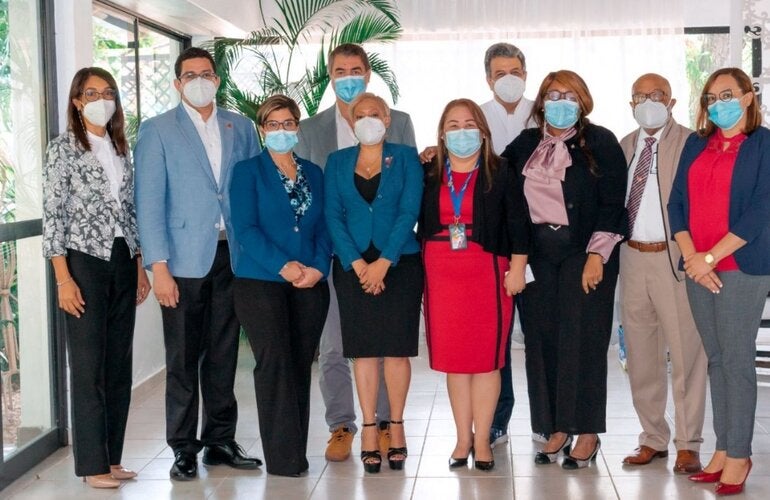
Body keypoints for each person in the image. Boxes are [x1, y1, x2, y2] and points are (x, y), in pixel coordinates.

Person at [134, 47, 262, 481]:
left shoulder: (240, 126)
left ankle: (220, 441)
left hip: (232, 256)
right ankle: (183, 448)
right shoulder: (157, 130)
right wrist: (159, 267)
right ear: (177, 83)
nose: (199, 81)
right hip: (181, 261)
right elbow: (148, 203)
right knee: (184, 359)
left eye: (206, 74)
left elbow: (250, 188)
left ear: (217, 80)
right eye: (190, 75)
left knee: (224, 355)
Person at [294, 43, 417, 462]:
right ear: (330, 76)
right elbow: (311, 196)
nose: (348, 78)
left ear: (367, 74)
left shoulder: (400, 122)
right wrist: (353, 262)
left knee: (382, 344)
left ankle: (382, 423)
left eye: (355, 70)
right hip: (334, 255)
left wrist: (382, 261)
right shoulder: (310, 130)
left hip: (391, 257)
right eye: (339, 71)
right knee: (334, 345)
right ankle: (342, 425)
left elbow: (409, 191)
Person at [502, 70, 627, 469]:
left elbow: (614, 203)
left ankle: (587, 431)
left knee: (584, 341)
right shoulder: (525, 144)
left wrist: (597, 255)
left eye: (570, 95)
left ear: (582, 101)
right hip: (538, 256)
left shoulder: (601, 141)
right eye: (553, 95)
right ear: (541, 102)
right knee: (541, 343)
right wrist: (433, 157)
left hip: (585, 253)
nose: (561, 102)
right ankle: (555, 427)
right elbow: (492, 176)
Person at [417, 43, 536, 449]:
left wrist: (517, 269)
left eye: (469, 124)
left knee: (487, 361)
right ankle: (461, 440)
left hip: (487, 275)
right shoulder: (429, 171)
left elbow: (519, 224)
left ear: (482, 132)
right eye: (453, 125)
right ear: (441, 133)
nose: (461, 132)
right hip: (441, 277)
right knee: (455, 362)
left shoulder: (500, 171)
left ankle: (483, 440)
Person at [42, 67, 151, 488]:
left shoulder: (121, 147)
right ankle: (92, 465)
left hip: (122, 259)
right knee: (88, 367)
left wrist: (138, 265)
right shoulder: (62, 149)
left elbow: (129, 211)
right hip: (83, 261)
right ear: (76, 101)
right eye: (91, 93)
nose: (101, 100)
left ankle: (112, 457)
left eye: (108, 93)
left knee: (117, 364)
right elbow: (54, 215)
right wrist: (63, 278)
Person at [668, 67, 770, 495]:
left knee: (737, 359)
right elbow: (676, 202)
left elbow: (762, 209)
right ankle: (724, 448)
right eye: (711, 97)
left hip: (740, 266)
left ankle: (740, 454)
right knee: (716, 359)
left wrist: (710, 257)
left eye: (727, 95)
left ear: (747, 97)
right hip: (697, 267)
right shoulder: (696, 143)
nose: (718, 104)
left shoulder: (764, 144)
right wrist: (693, 257)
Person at [229, 95, 331, 477]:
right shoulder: (247, 172)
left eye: (288, 123)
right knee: (274, 365)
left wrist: (318, 267)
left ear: (297, 127)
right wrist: (283, 265)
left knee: (300, 365)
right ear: (262, 130)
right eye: (273, 124)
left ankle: (296, 452)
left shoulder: (313, 173)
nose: (281, 130)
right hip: (261, 282)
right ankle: (282, 459)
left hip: (309, 284)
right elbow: (245, 229)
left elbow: (324, 227)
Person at [324, 93, 423, 473]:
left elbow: (409, 211)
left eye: (375, 114)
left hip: (399, 263)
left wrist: (383, 262)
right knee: (364, 352)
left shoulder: (406, 157)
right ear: (351, 122)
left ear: (387, 118)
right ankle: (368, 428)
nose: (368, 120)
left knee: (396, 352)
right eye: (360, 115)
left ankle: (395, 426)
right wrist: (357, 264)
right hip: (352, 268)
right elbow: (333, 216)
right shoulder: (337, 161)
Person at [618, 73, 707, 474]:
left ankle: (688, 443)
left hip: (675, 261)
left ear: (671, 102)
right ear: (631, 105)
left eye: (657, 95)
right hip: (632, 258)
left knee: (686, 355)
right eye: (640, 97)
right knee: (641, 356)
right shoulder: (624, 146)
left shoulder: (692, 143)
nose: (648, 102)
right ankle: (652, 437)